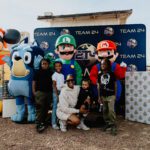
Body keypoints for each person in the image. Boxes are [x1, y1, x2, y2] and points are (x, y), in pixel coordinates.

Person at [32, 58, 53, 133]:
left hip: (49, 93)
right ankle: (38, 124)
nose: (44, 65)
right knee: (40, 108)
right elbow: (34, 82)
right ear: (41, 65)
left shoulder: (51, 73)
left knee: (46, 108)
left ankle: (44, 122)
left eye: (45, 64)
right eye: (42, 64)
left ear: (48, 64)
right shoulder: (38, 72)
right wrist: (34, 92)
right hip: (40, 93)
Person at [98, 58, 117, 136]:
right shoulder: (99, 75)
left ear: (108, 65)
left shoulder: (112, 74)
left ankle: (113, 126)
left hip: (111, 95)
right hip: (103, 96)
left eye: (104, 64)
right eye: (101, 64)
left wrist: (115, 95)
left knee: (111, 110)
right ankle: (108, 123)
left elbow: (115, 85)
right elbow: (98, 86)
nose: (102, 65)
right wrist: (99, 96)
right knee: (105, 111)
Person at [51, 61, 64, 129]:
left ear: (61, 66)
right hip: (56, 92)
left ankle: (59, 122)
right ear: (54, 67)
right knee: (55, 107)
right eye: (56, 66)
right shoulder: (54, 75)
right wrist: (57, 95)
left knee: (60, 108)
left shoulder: (62, 75)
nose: (58, 67)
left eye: (59, 66)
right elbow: (54, 85)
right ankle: (53, 123)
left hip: (61, 92)